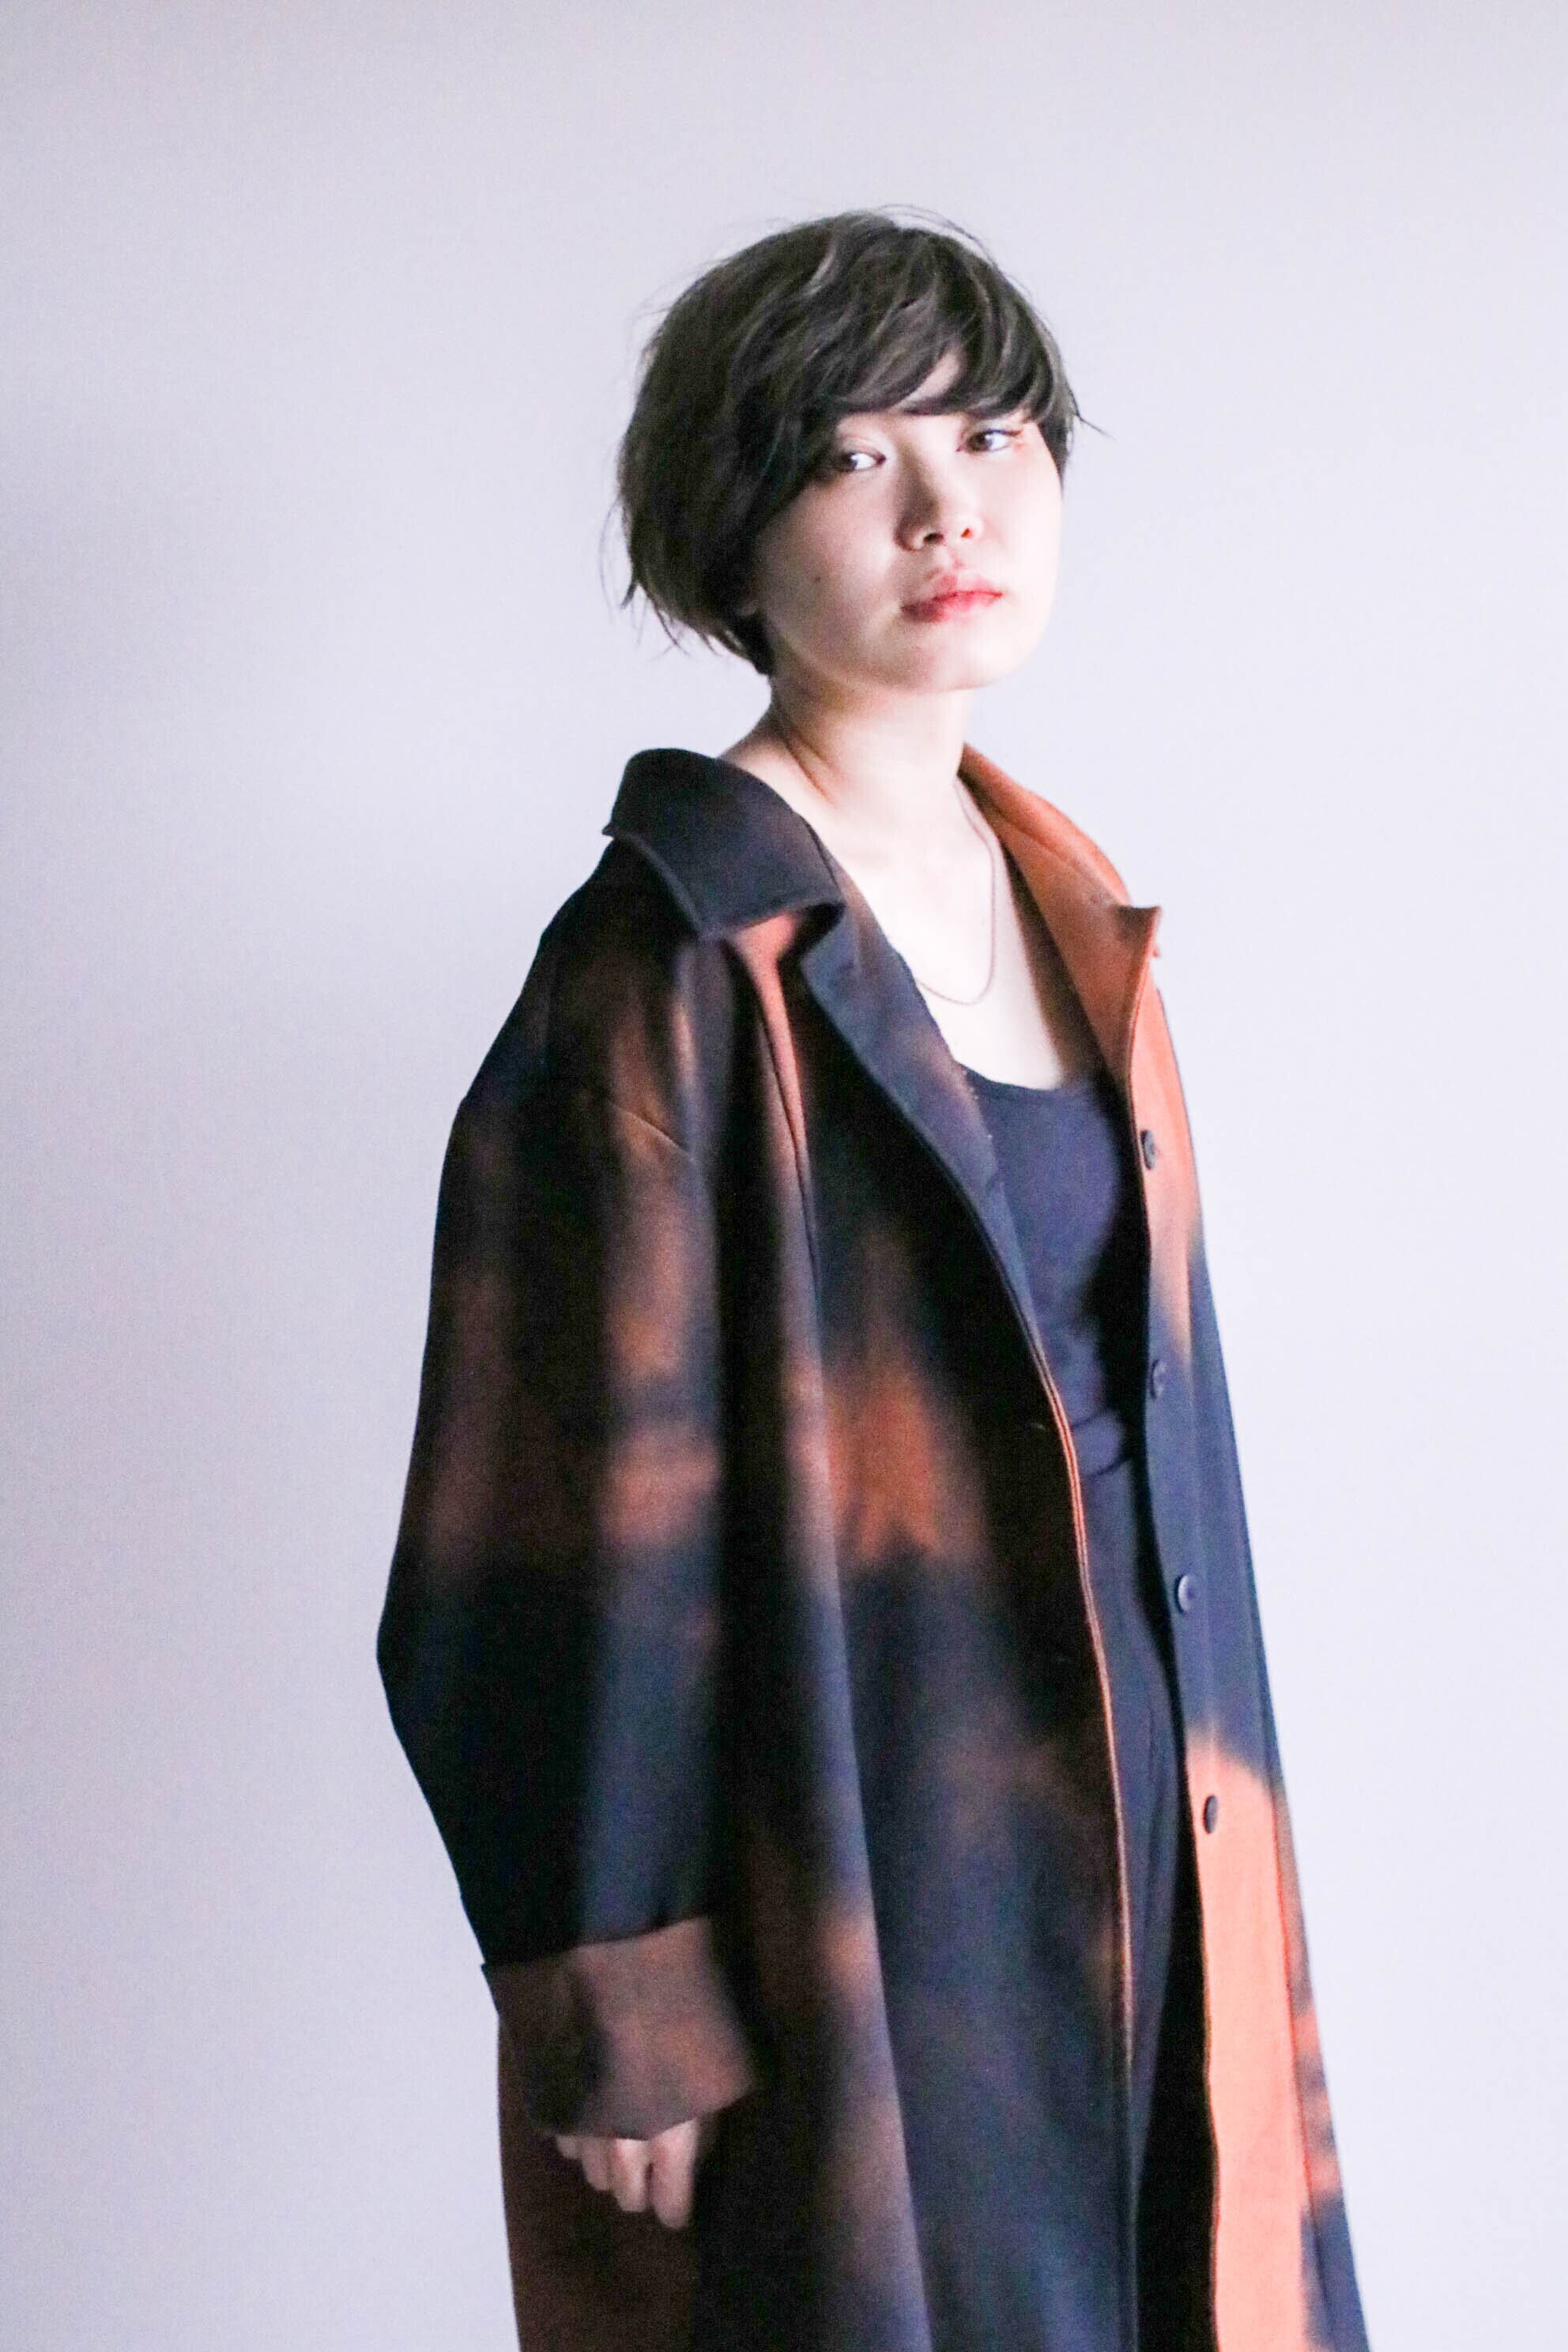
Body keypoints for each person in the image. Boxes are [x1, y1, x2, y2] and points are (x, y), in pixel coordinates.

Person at [377, 209, 1371, 2352]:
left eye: (994, 434)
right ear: (734, 533)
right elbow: (530, 1518)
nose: (947, 507)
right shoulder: (671, 961)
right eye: (854, 455)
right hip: (860, 1881)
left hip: (1153, 1836)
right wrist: (620, 1977)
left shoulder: (1073, 904)